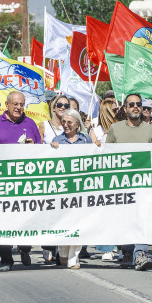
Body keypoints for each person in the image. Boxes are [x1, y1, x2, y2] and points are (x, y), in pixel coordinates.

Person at [0, 91, 41, 271]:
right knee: (3, 221)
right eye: (15, 104)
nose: (18, 107)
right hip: (1, 183)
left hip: (24, 183)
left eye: (22, 104)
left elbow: (41, 153)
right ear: (6, 105)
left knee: (25, 219)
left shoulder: (30, 124)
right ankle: (6, 259)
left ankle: (25, 249)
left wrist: (33, 148)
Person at [105, 93, 152, 271]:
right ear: (125, 108)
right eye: (131, 104)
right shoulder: (115, 129)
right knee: (124, 219)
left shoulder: (150, 130)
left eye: (138, 104)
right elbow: (107, 155)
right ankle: (127, 252)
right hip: (120, 184)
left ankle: (141, 253)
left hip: (143, 185)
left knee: (142, 218)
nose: (135, 107)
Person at [49, 108, 90, 269]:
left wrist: (99, 147)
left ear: (77, 124)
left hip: (80, 189)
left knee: (78, 222)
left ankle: (74, 257)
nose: (65, 125)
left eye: (69, 122)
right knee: (63, 222)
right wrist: (52, 149)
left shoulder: (86, 140)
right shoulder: (57, 139)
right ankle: (64, 252)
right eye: (63, 122)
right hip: (62, 189)